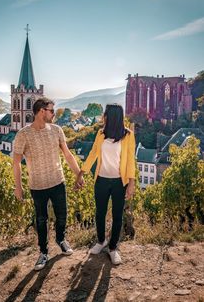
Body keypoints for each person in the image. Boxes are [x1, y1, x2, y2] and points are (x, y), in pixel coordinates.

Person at [13, 97, 84, 271]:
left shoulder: (57, 130)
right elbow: (15, 163)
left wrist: (79, 175)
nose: (54, 114)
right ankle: (43, 252)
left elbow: (67, 155)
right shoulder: (23, 134)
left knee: (62, 215)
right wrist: (18, 187)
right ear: (41, 111)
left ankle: (61, 239)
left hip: (58, 181)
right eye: (51, 110)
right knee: (41, 219)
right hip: (37, 185)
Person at [75, 104, 135, 265]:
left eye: (105, 114)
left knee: (117, 216)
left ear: (112, 117)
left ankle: (113, 248)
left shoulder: (128, 135)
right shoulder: (101, 133)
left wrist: (131, 183)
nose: (103, 117)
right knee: (99, 213)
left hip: (118, 182)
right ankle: (101, 241)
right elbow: (93, 154)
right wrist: (81, 173)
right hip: (101, 180)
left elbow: (130, 161)